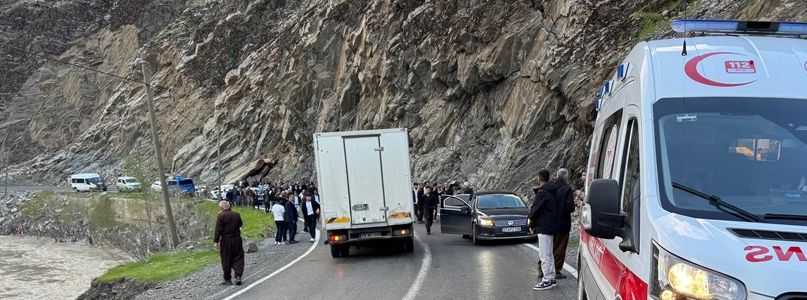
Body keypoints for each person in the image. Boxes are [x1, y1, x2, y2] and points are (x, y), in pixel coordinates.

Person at [528, 169, 560, 291]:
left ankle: (546, 280)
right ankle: (551, 277)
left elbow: (535, 209)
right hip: (551, 224)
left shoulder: (542, 192)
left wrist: (531, 223)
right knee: (549, 253)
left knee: (544, 254)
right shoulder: (553, 191)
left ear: (539, 178)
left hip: (544, 225)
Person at [550, 168, 575, 279]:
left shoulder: (550, 187)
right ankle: (556, 270)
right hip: (563, 222)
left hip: (550, 222)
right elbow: (570, 207)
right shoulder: (567, 189)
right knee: (560, 247)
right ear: (566, 177)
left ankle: (543, 269)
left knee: (549, 246)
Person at [214, 201, 244, 286]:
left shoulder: (221, 215)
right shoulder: (237, 214)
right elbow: (240, 224)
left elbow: (218, 229)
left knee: (226, 259)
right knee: (238, 257)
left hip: (226, 240)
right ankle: (238, 275)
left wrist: (216, 241)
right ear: (229, 206)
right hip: (237, 238)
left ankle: (227, 279)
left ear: (221, 208)